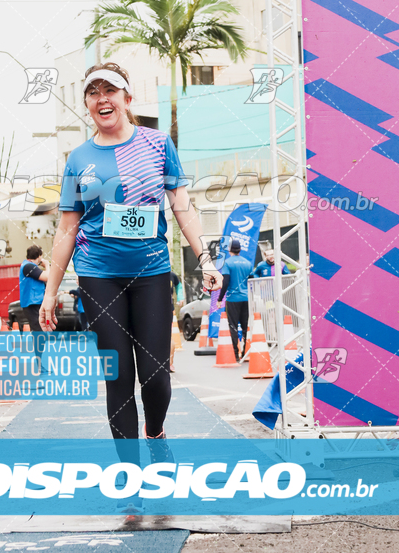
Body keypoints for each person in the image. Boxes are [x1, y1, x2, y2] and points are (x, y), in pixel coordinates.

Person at [40, 62, 222, 449]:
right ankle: (131, 476)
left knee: (156, 375)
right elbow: (66, 228)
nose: (102, 98)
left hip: (151, 273)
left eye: (110, 90)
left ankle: (155, 432)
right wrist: (50, 291)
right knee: (118, 376)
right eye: (93, 92)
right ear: (87, 103)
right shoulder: (78, 158)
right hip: (97, 275)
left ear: (127, 98)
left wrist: (204, 257)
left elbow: (182, 206)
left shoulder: (157, 144)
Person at [219, 238, 252, 363]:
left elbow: (225, 281)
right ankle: (245, 352)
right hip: (246, 298)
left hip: (233, 298)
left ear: (229, 249)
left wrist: (220, 298)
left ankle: (235, 354)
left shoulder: (227, 263)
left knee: (233, 326)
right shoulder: (247, 263)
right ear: (240, 250)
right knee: (245, 326)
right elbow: (252, 280)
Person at [19, 245, 49, 330]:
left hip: (35, 302)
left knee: (40, 329)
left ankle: (39, 343)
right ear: (39, 256)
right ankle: (39, 344)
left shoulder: (30, 266)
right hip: (32, 303)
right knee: (39, 329)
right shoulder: (28, 266)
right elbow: (48, 277)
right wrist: (47, 265)